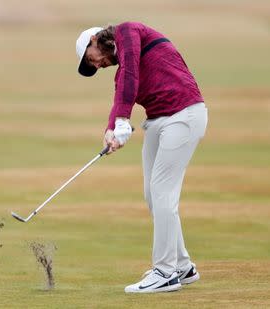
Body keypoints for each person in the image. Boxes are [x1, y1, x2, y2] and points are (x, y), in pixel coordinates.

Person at [75, 22, 208, 293]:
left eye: (92, 59)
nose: (98, 65)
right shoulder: (121, 72)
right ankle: (183, 266)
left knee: (162, 192)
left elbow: (131, 74)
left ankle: (165, 272)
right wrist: (111, 130)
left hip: (184, 115)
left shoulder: (127, 31)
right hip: (159, 121)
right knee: (152, 193)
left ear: (95, 39)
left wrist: (123, 119)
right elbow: (122, 89)